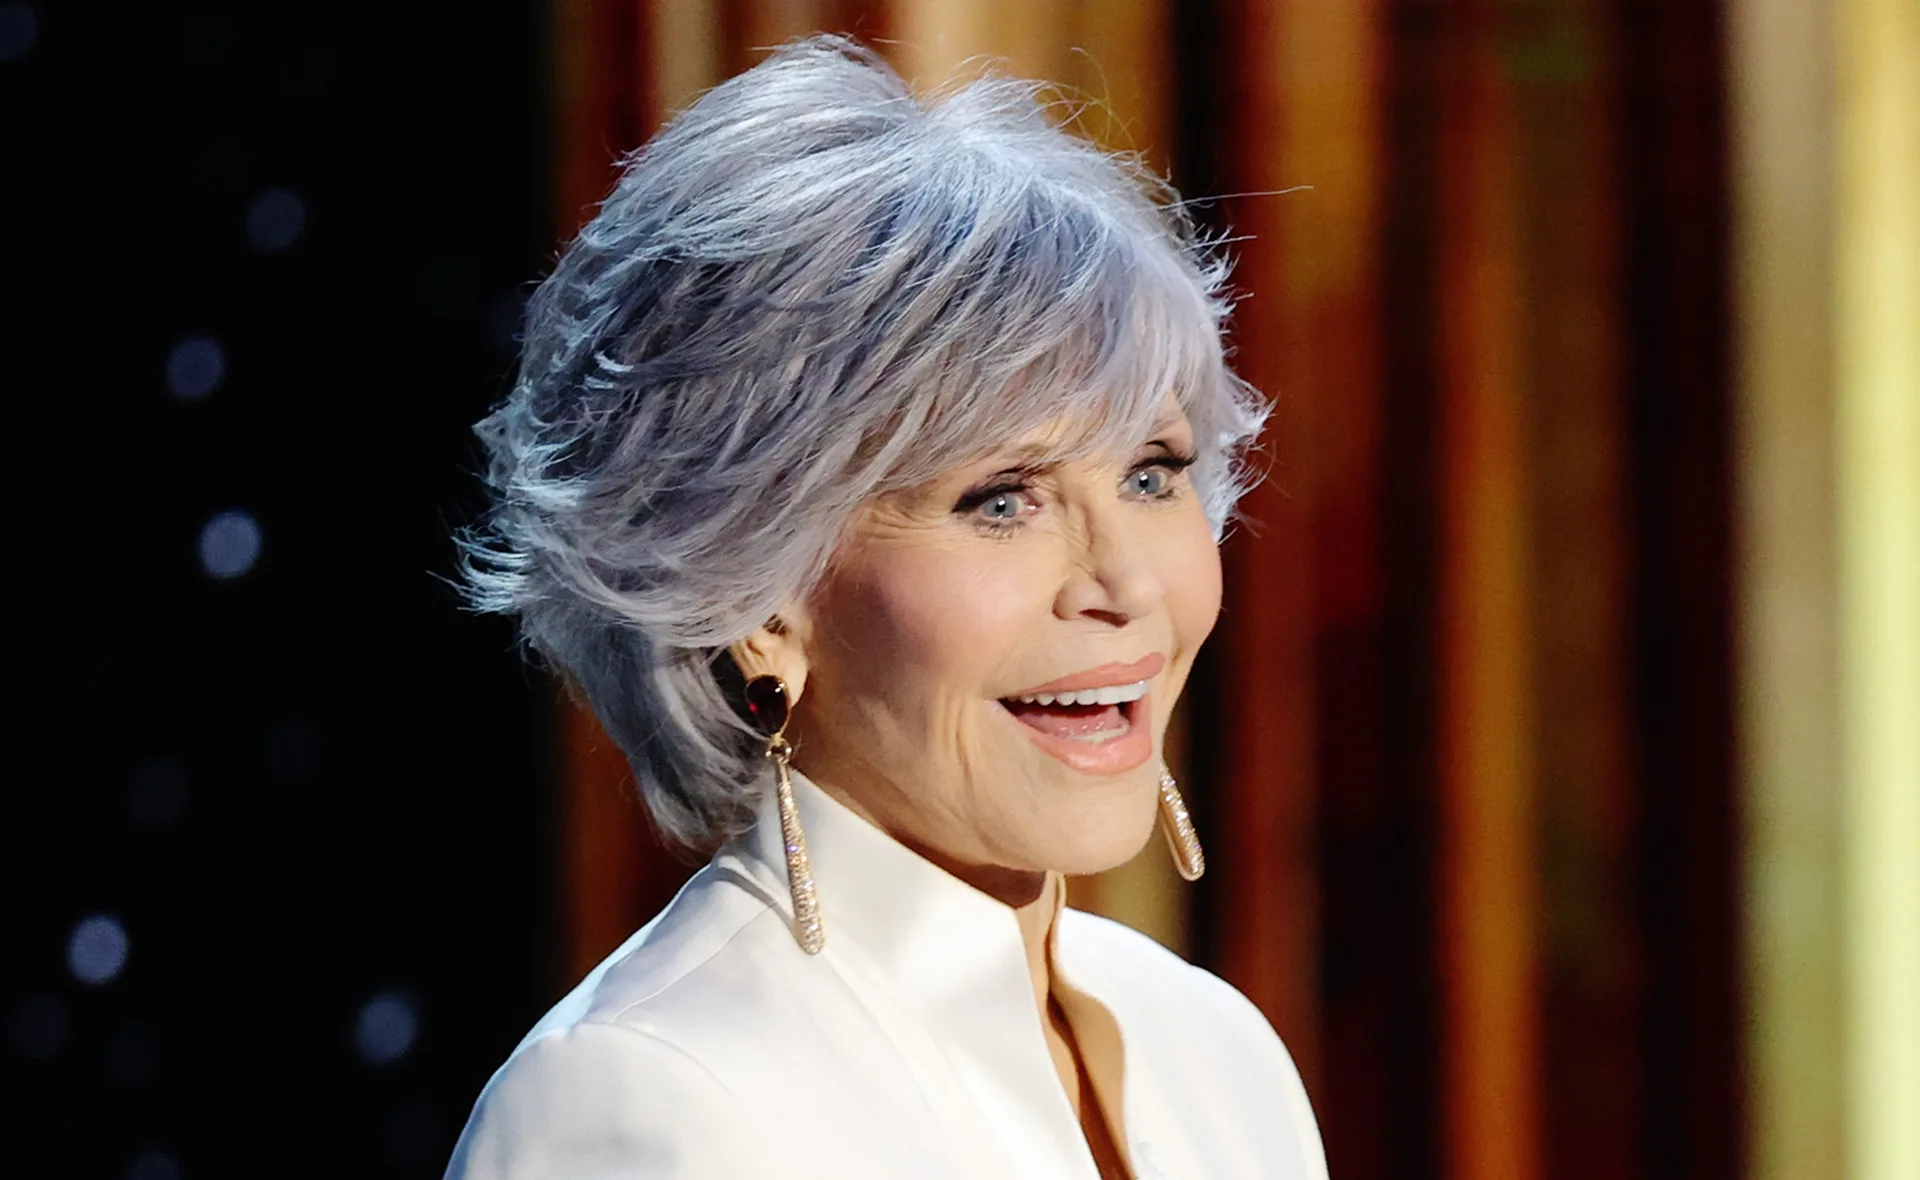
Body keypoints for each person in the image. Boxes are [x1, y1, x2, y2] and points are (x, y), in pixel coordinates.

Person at [447, 35, 1327, 1180]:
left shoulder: (1219, 1055)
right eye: (1002, 499)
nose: (1127, 585)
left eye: (1150, 473)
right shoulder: (649, 1098)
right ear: (761, 596)